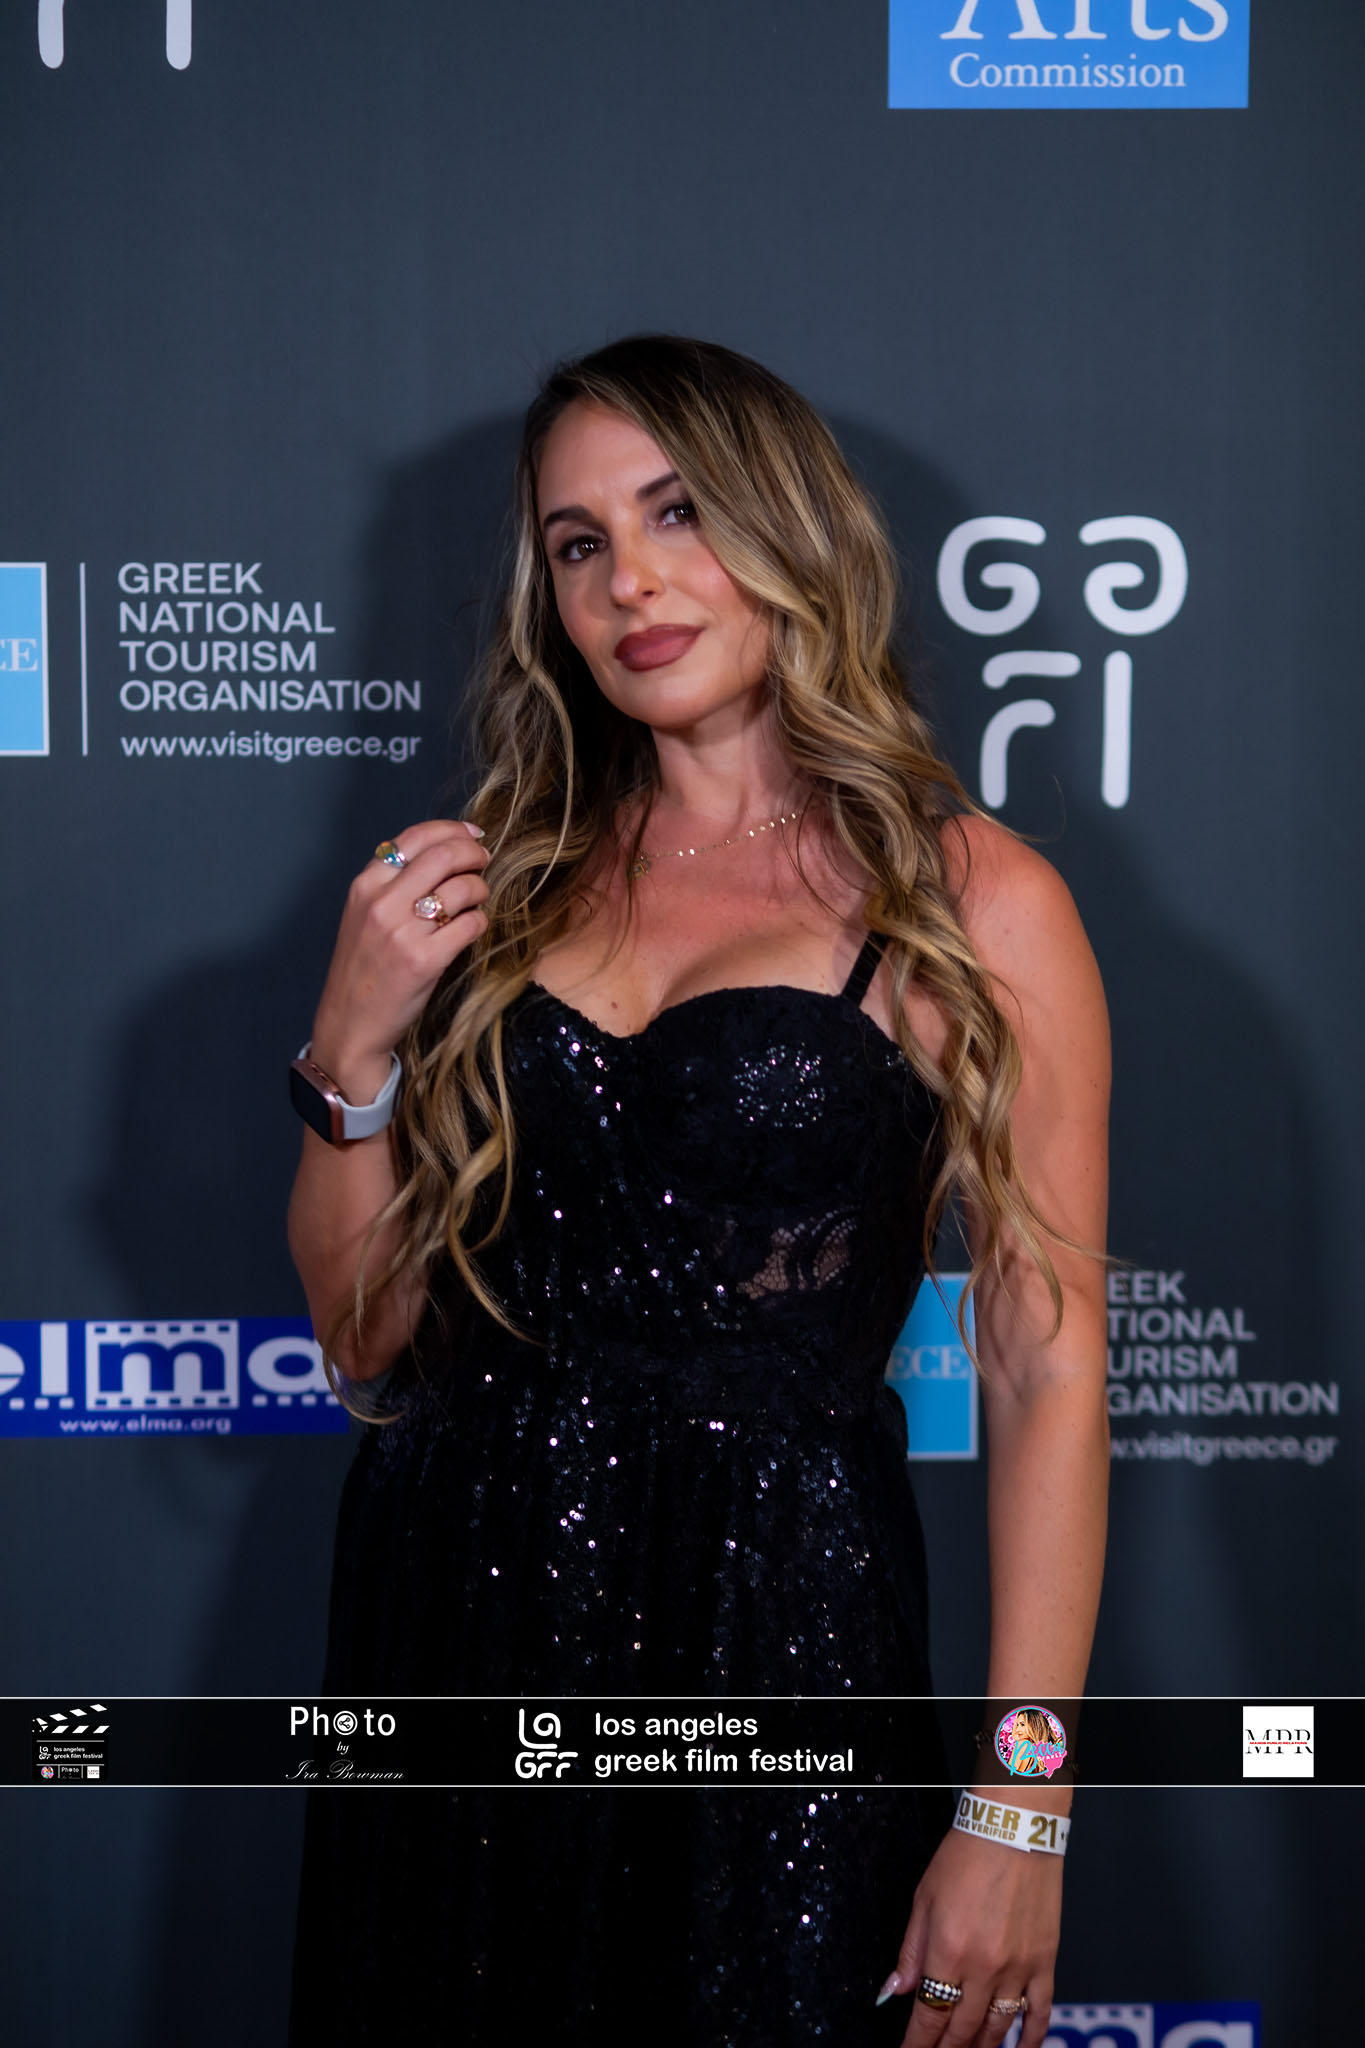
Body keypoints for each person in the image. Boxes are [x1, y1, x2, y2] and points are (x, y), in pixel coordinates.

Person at [285, 334, 1110, 2048]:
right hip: (455, 1633)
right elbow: (365, 1342)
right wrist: (349, 1054)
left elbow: (1045, 1369)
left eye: (677, 513)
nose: (629, 583)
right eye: (577, 543)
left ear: (789, 527)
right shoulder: (490, 884)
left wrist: (1021, 1804)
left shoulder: (967, 898)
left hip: (774, 1643)